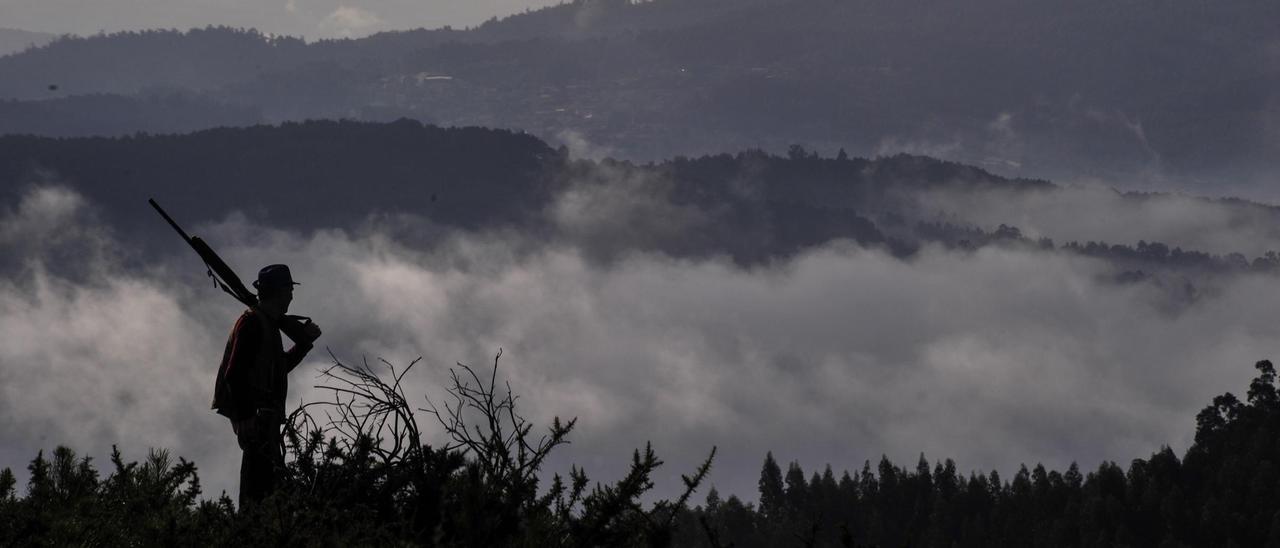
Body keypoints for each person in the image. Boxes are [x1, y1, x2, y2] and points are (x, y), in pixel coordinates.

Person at [210, 264, 322, 508]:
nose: (292, 295)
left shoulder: (266, 323)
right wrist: (246, 415)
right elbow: (235, 374)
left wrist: (304, 344)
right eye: (288, 289)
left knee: (268, 491)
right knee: (257, 494)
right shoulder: (252, 323)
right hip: (257, 419)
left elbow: (276, 370)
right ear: (280, 292)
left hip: (265, 419)